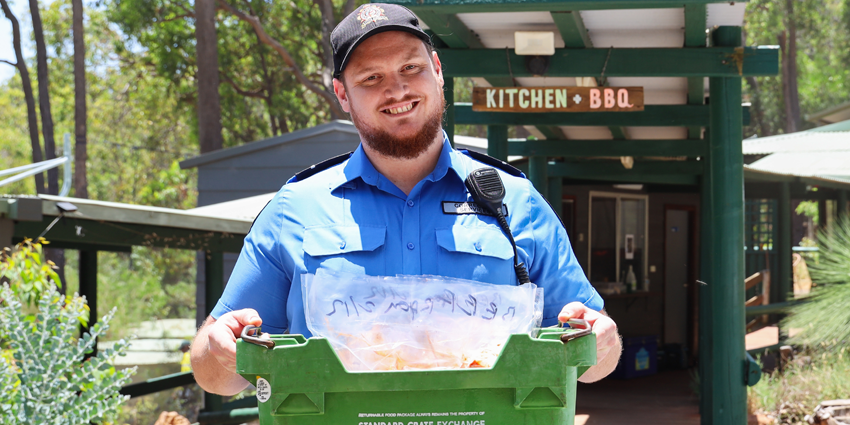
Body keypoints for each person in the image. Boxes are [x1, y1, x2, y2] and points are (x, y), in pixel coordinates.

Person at [191, 3, 621, 395]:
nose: (397, 90)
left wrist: (600, 339)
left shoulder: (517, 201)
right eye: (371, 78)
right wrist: (218, 350)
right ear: (342, 94)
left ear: (437, 69)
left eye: (410, 68)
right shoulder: (294, 209)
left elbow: (595, 363)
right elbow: (215, 377)